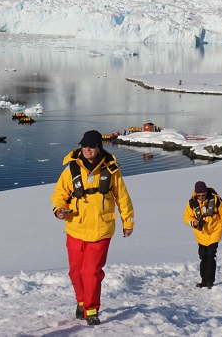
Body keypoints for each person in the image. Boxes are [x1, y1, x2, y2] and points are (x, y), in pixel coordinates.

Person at [51, 130, 135, 326]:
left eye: (91, 146)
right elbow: (59, 194)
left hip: (101, 229)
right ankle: (81, 301)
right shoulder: (71, 170)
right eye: (85, 145)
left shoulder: (112, 170)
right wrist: (58, 210)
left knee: (91, 272)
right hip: (75, 228)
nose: (87, 149)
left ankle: (91, 310)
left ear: (99, 148)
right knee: (75, 271)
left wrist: (128, 222)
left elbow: (123, 198)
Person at [183, 181, 222, 289]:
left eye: (203, 195)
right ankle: (203, 280)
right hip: (201, 235)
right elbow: (186, 217)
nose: (201, 197)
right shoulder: (192, 203)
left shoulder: (216, 200)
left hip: (215, 231)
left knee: (211, 255)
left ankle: (210, 281)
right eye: (199, 195)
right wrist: (192, 222)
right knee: (203, 257)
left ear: (206, 192)